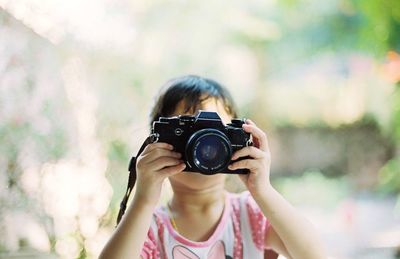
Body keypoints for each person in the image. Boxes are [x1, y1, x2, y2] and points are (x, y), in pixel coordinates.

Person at [99, 75, 326, 259]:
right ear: (158, 142)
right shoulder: (147, 226)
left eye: (217, 132)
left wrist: (263, 191)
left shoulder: (251, 214)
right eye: (189, 131)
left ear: (237, 140)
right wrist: (143, 201)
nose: (205, 145)